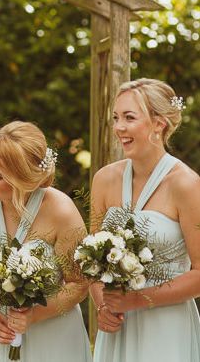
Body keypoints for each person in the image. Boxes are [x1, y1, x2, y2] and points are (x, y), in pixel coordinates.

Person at [0, 120, 91, 362]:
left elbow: (79, 284)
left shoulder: (61, 211)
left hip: (53, 337)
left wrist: (36, 314)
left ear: (24, 178)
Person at [91, 78, 200, 360]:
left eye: (129, 117)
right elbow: (89, 264)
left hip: (165, 326)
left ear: (158, 124)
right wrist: (103, 305)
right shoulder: (104, 180)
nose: (118, 127)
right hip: (117, 326)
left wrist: (136, 300)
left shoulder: (186, 185)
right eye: (116, 118)